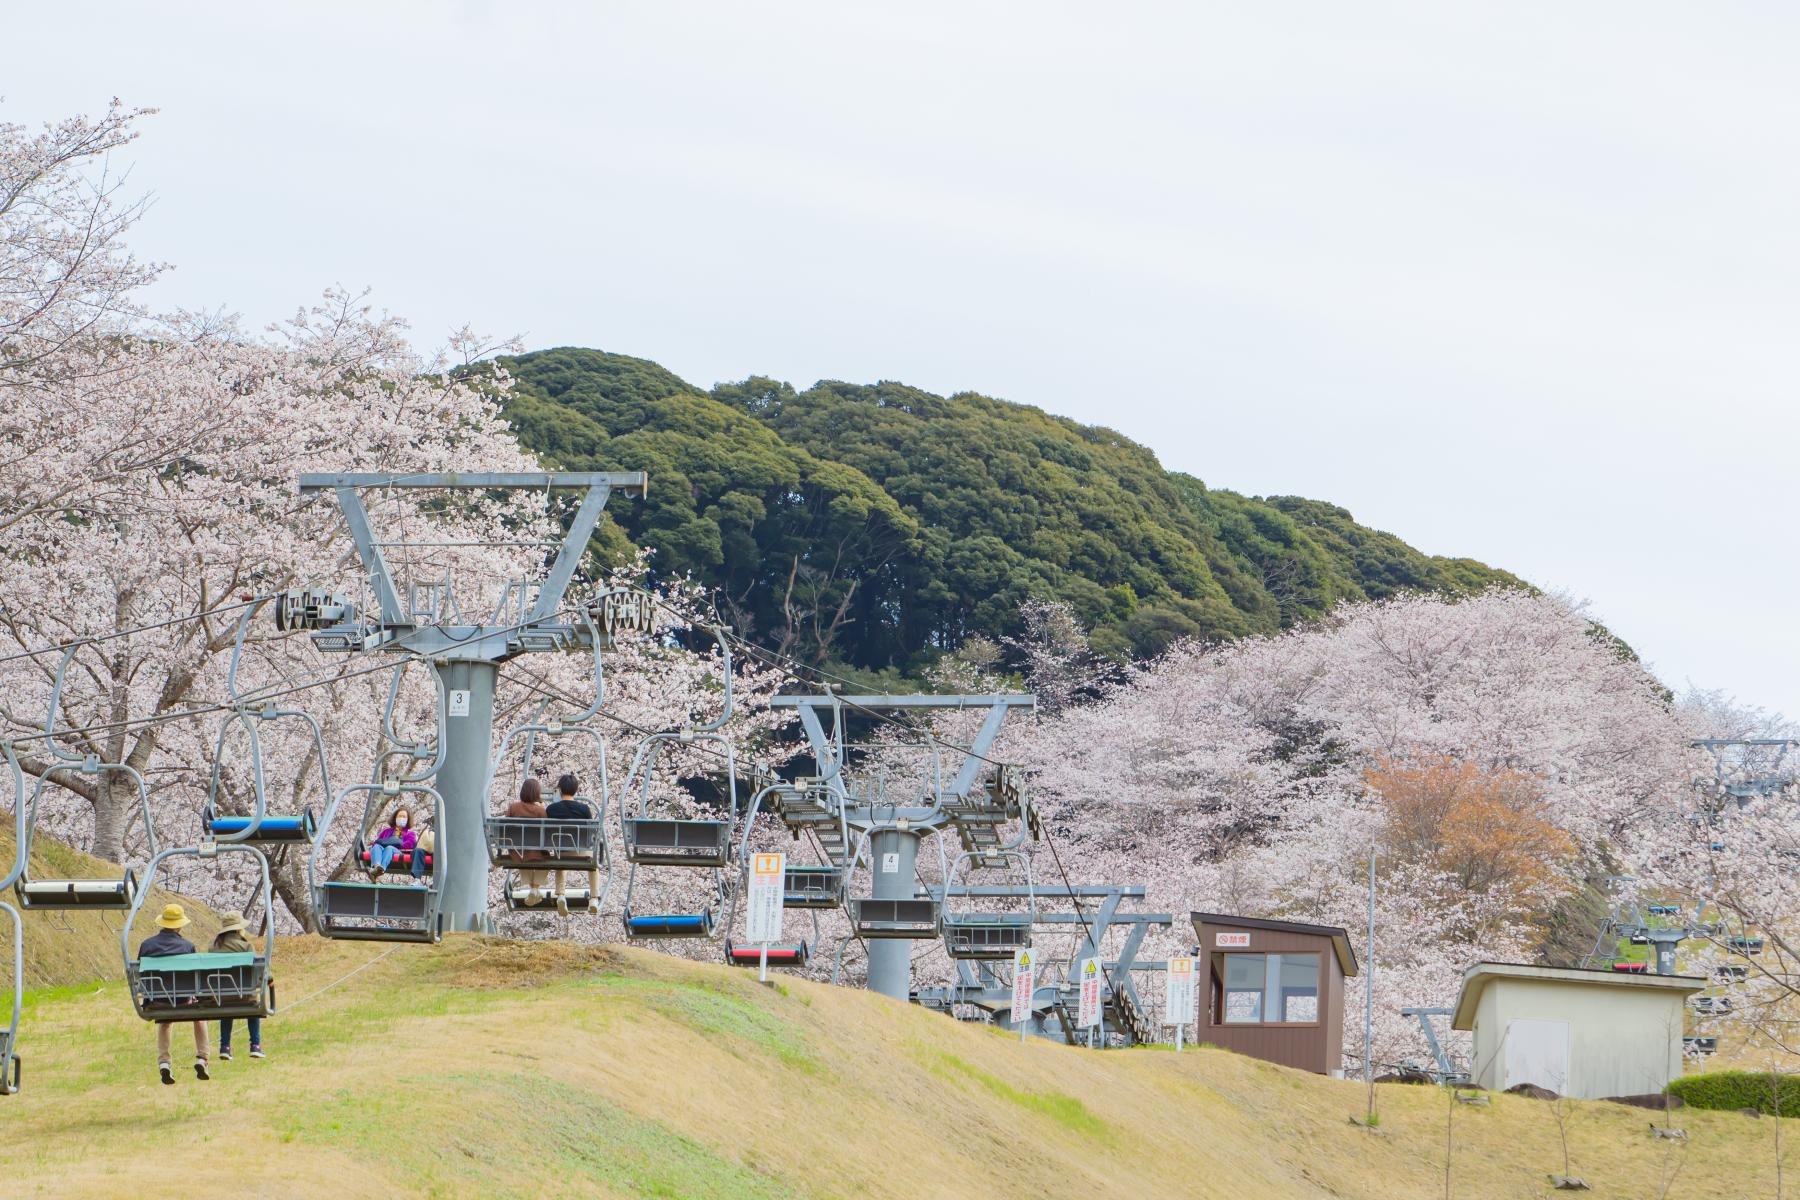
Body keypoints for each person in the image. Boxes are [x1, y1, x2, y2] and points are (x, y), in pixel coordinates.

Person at [138, 903, 209, 1085]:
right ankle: (202, 1058)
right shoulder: (187, 946)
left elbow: (140, 974)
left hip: (157, 1000)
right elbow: (195, 977)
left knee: (165, 1022)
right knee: (200, 1017)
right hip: (184, 1000)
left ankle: (164, 1062)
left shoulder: (146, 945)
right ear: (180, 924)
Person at [212, 912, 265, 1061]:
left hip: (221, 997)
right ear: (238, 929)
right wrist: (269, 980)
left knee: (227, 1008)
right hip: (245, 996)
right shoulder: (246, 946)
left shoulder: (214, 947)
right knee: (253, 1004)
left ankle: (225, 1047)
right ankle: (255, 1045)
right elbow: (258, 968)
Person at [544, 774, 595, 904]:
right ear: (576, 790)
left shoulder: (551, 809)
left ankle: (560, 894)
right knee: (594, 865)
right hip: (582, 852)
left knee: (561, 860)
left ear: (560, 789)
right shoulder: (584, 809)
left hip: (561, 851)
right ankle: (594, 897)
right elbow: (591, 832)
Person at [505, 777, 551, 904]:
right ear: (537, 793)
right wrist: (543, 807)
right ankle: (535, 889)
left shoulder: (513, 808)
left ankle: (533, 890)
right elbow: (547, 832)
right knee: (546, 858)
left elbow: (505, 828)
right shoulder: (540, 811)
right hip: (536, 852)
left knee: (523, 856)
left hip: (517, 852)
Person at [365, 806, 423, 879]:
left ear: (407, 820)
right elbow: (377, 842)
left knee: (390, 848)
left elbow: (410, 846)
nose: (401, 818)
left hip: (399, 852)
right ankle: (376, 866)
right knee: (376, 846)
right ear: (395, 818)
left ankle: (382, 868)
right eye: (400, 816)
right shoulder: (386, 831)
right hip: (384, 850)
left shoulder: (410, 834)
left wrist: (395, 842)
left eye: (404, 817)